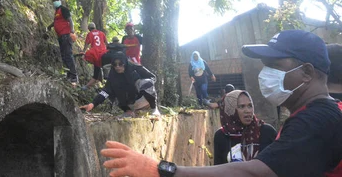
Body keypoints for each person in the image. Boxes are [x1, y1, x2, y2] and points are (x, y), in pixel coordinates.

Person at [101, 29, 342, 177]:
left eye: (275, 66)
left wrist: (163, 170)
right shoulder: (310, 116)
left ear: (307, 72)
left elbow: (258, 173)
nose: (265, 73)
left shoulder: (316, 120)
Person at [80, 52, 159, 117]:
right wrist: (92, 104)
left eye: (120, 64)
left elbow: (152, 78)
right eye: (115, 64)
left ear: (125, 63)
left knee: (146, 82)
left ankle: (154, 109)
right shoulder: (113, 75)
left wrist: (138, 84)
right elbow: (105, 92)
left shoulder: (135, 68)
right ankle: (128, 112)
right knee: (113, 89)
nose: (117, 67)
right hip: (130, 104)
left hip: (144, 99)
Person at [213, 90, 276, 165]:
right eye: (241, 106)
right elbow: (219, 168)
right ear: (230, 110)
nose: (248, 111)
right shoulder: (221, 135)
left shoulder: (267, 131)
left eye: (250, 106)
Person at [47, 0, 78, 84]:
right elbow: (56, 22)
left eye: (57, 0)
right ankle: (69, 74)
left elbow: (70, 20)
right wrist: (49, 27)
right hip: (61, 37)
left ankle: (74, 76)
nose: (55, 1)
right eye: (54, 0)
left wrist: (71, 31)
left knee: (68, 55)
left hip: (66, 35)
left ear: (60, 0)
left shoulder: (63, 9)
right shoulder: (57, 12)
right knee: (64, 56)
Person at [81, 22, 108, 89]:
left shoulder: (90, 34)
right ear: (95, 27)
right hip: (104, 53)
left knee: (96, 71)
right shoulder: (102, 33)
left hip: (95, 55)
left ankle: (86, 86)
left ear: (89, 29)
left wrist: (83, 53)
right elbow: (107, 44)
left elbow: (86, 44)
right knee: (104, 69)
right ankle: (103, 82)